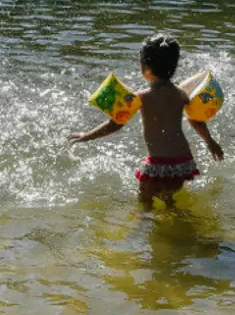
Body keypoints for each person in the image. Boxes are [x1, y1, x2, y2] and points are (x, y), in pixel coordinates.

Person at [67, 34, 225, 207]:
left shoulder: (141, 97)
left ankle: (146, 222)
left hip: (159, 163)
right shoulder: (181, 95)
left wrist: (86, 135)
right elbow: (196, 121)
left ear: (146, 68)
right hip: (183, 161)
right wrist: (210, 142)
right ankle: (179, 218)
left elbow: (115, 124)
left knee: (145, 202)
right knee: (169, 201)